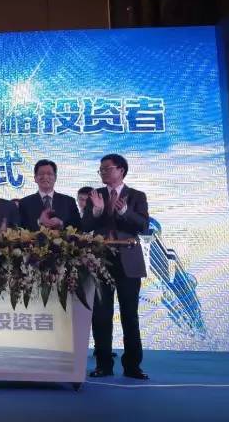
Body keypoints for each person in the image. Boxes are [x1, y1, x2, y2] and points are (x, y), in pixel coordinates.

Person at [82, 154, 150, 380]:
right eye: (100, 170)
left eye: (107, 169)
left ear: (121, 170)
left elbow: (143, 226)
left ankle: (132, 365)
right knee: (101, 315)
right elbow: (85, 226)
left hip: (128, 262)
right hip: (101, 261)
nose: (103, 172)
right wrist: (97, 212)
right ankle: (103, 364)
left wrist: (124, 212)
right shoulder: (96, 195)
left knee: (130, 315)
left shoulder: (137, 196)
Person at [18, 159, 81, 232]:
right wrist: (39, 222)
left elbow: (79, 227)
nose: (45, 177)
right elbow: (20, 228)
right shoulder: (24, 203)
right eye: (41, 174)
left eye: (49, 174)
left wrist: (61, 224)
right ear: (35, 178)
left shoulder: (69, 201)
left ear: (55, 177)